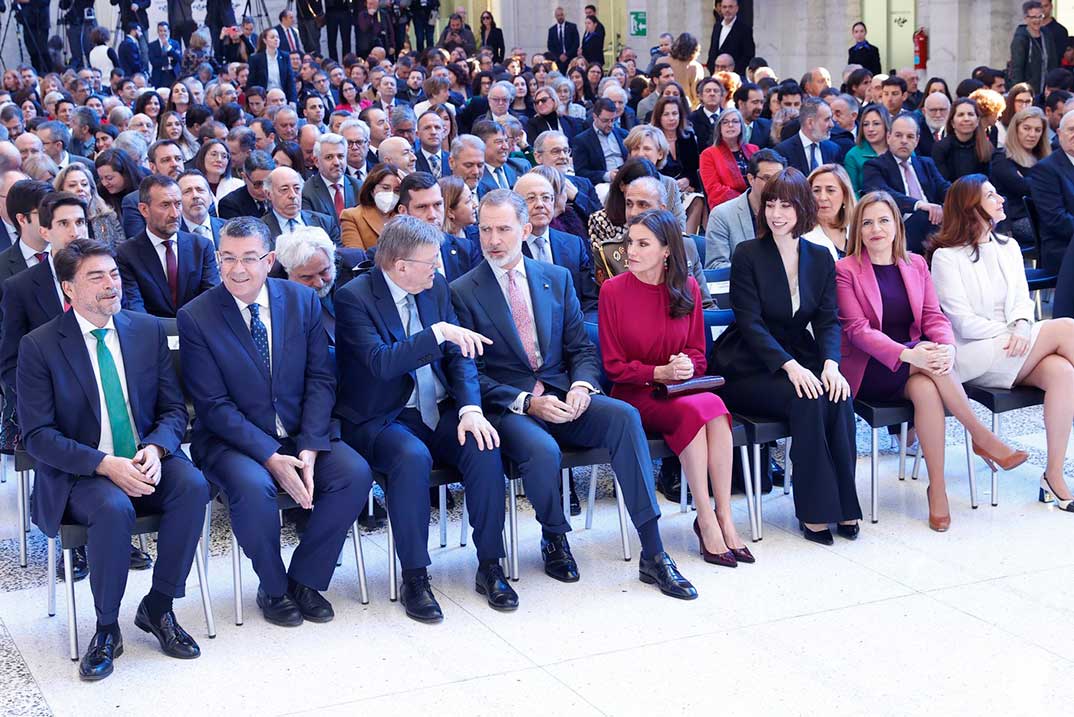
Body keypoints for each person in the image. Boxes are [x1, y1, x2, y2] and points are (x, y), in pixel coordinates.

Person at [450, 189, 698, 598]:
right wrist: (528, 402)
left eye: (504, 229)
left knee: (623, 416)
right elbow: (471, 374)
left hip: (565, 395)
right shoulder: (462, 291)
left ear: (525, 229)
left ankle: (653, 552)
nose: (493, 239)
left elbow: (581, 349)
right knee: (542, 450)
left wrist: (583, 385)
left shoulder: (555, 278)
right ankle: (554, 536)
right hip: (511, 407)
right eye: (485, 229)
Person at [18, 237, 210, 681]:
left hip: (144, 456)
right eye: (96, 277)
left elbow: (172, 410)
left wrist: (157, 448)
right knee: (112, 506)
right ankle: (107, 628)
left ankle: (159, 606)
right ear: (68, 288)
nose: (111, 284)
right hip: (82, 470)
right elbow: (39, 436)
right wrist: (105, 465)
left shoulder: (145, 330)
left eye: (114, 274)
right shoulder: (41, 345)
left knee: (194, 486)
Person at [178, 216, 373, 627]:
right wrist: (270, 455)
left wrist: (310, 445)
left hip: (301, 431)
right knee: (253, 488)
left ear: (269, 261)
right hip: (232, 441)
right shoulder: (196, 316)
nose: (238, 269)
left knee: (354, 473)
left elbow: (321, 378)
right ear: (217, 258)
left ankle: (305, 578)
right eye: (228, 257)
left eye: (249, 258)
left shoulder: (301, 301)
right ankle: (274, 586)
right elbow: (213, 406)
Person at [334, 215, 513, 621]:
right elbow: (381, 364)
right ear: (401, 266)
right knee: (411, 459)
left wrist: (470, 408)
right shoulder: (353, 298)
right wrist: (437, 334)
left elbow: (460, 354)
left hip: (440, 407)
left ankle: (490, 565)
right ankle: (415, 575)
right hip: (384, 416)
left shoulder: (436, 290)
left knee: (484, 443)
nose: (438, 269)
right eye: (430, 263)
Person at [836, 191, 1027, 530]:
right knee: (929, 365)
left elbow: (933, 317)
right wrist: (908, 353)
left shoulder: (915, 264)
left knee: (927, 386)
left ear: (897, 224)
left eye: (883, 220)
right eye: (867, 222)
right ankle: (981, 437)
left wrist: (947, 347)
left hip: (916, 363)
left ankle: (936, 488)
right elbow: (857, 330)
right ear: (857, 229)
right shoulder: (846, 270)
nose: (875, 229)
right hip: (870, 368)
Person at [708, 168, 861, 545]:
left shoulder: (820, 257)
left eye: (787, 205)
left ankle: (844, 504)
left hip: (799, 355)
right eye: (771, 203)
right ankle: (814, 512)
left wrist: (831, 365)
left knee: (839, 397)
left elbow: (828, 320)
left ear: (803, 209)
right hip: (748, 363)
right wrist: (791, 368)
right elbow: (750, 323)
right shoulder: (748, 254)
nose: (776, 213)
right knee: (807, 399)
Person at [599, 208, 752, 564]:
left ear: (667, 250)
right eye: (629, 243)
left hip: (680, 391)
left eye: (642, 244)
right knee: (701, 411)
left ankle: (723, 516)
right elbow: (613, 367)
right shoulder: (613, 291)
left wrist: (684, 367)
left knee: (712, 407)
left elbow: (699, 353)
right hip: (635, 394)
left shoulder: (688, 288)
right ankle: (707, 519)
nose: (630, 252)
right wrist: (659, 373)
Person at [930, 174, 1074, 513]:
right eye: (991, 196)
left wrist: (1023, 327)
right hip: (974, 352)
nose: (1001, 200)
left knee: (1063, 372)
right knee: (1066, 328)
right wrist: (1011, 333)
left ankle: (1053, 475)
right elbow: (960, 321)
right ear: (971, 207)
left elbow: (1023, 302)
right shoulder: (946, 257)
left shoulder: (1008, 248)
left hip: (1018, 346)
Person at [116, 175, 219, 317]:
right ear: (144, 210)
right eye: (165, 205)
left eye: (178, 204)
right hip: (152, 334)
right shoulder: (126, 254)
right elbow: (135, 308)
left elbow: (211, 299)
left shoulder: (201, 247)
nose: (175, 214)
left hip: (198, 331)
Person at [514, 172, 599, 320]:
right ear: (515, 205)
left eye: (546, 198)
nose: (540, 204)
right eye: (531, 198)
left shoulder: (574, 244)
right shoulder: (510, 247)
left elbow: (590, 300)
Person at [862, 114, 951, 253]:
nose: (904, 141)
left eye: (910, 137)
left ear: (917, 141)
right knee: (923, 215)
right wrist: (919, 205)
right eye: (898, 135)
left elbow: (944, 188)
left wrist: (960, 198)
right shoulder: (874, 166)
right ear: (888, 137)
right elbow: (882, 194)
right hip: (901, 228)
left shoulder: (926, 164)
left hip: (934, 224)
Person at [990, 106, 1049, 248]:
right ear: (1016, 129)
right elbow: (1022, 187)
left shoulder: (1044, 158)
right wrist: (1047, 182)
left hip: (1045, 214)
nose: (1032, 134)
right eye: (1026, 128)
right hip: (1016, 219)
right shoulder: (1002, 157)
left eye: (1037, 130)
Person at [275, 226, 339, 346]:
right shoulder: (277, 297)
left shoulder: (352, 265)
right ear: (288, 272)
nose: (319, 283)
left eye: (324, 271)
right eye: (307, 277)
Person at [651, 95, 704, 233]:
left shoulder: (688, 137)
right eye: (666, 114)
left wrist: (688, 180)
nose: (671, 118)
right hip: (661, 189)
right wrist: (672, 184)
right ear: (659, 117)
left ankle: (686, 239)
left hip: (685, 189)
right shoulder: (652, 139)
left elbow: (695, 168)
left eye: (675, 114)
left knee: (698, 200)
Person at [262, 166, 340, 247]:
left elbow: (339, 257)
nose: (292, 195)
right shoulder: (261, 230)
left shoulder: (325, 223)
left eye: (297, 188)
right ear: (268, 194)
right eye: (284, 189)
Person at [699, 108, 759, 209]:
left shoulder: (754, 149)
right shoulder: (708, 154)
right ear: (719, 128)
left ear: (741, 125)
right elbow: (714, 189)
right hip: (727, 206)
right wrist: (746, 200)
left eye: (735, 121)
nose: (730, 125)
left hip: (757, 203)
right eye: (725, 122)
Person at [55, 164, 124, 250]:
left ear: (91, 190)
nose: (80, 189)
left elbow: (121, 250)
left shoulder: (108, 216)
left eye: (84, 184)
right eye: (72, 185)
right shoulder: (56, 222)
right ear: (61, 191)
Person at [340, 163, 403, 249]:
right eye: (385, 188)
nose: (391, 194)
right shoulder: (352, 216)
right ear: (372, 189)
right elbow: (356, 257)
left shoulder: (404, 216)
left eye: (397, 190)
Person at [301, 133, 360, 225]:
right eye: (329, 157)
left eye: (340, 156)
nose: (336, 162)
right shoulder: (307, 192)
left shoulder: (359, 187)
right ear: (316, 162)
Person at [773, 97, 840, 176]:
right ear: (810, 122)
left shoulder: (833, 149)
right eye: (827, 119)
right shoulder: (783, 151)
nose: (832, 125)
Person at [933, 98, 994, 181]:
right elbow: (942, 182)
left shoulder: (987, 147)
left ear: (977, 120)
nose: (966, 119)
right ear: (952, 123)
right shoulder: (941, 148)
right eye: (961, 115)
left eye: (970, 114)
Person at [803, 164, 856, 258]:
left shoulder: (858, 230)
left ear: (845, 196)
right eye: (816, 191)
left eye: (830, 190)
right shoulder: (801, 236)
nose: (822, 197)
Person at [1011, 2, 1058, 96]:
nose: (1037, 20)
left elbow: (1053, 62)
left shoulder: (1047, 34)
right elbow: (1017, 68)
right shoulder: (1021, 38)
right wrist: (1019, 92)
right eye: (1033, 17)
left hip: (1046, 89)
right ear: (1026, 18)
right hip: (1028, 91)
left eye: (1040, 16)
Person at [843, 104, 890, 196]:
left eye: (876, 124)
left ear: (886, 125)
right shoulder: (853, 155)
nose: (870, 129)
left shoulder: (898, 149)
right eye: (866, 124)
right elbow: (852, 192)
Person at [219, 151, 275, 220]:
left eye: (268, 183)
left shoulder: (280, 196)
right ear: (244, 177)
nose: (264, 189)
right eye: (257, 184)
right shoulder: (229, 204)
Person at [94, 149, 147, 222]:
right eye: (101, 178)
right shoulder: (100, 194)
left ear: (125, 174)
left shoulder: (146, 189)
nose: (104, 183)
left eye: (109, 178)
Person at [248, 29, 297, 106]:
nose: (276, 39)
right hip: (265, 96)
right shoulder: (256, 59)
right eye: (272, 37)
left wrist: (292, 100)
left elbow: (290, 80)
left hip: (282, 94)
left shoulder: (285, 56)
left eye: (277, 37)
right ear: (265, 40)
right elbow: (252, 81)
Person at [706, 0, 755, 76]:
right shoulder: (717, 26)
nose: (727, 10)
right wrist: (712, 69)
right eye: (724, 7)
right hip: (716, 75)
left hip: (734, 77)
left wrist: (733, 72)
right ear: (721, 9)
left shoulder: (744, 29)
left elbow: (748, 55)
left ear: (737, 8)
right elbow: (712, 50)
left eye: (730, 7)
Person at [667, 33, 706, 110]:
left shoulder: (661, 61)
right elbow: (697, 94)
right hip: (686, 108)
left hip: (663, 105)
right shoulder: (695, 67)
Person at [148, 22, 183, 90]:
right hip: (159, 75)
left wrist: (169, 47)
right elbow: (154, 62)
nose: (163, 33)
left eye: (165, 31)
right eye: (160, 31)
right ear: (158, 32)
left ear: (168, 31)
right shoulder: (152, 45)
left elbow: (179, 58)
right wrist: (168, 60)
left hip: (173, 74)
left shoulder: (175, 43)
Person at [547, 7, 580, 72]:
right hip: (558, 60)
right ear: (555, 16)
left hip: (571, 58)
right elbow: (550, 46)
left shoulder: (572, 27)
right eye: (558, 15)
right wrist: (559, 56)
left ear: (564, 15)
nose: (560, 17)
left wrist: (566, 55)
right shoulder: (552, 30)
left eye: (561, 15)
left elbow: (576, 43)